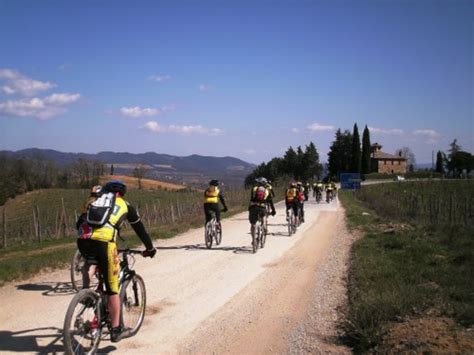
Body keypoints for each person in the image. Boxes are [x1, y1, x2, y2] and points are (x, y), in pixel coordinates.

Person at [75, 180, 156, 343]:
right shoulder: (125, 205)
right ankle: (116, 329)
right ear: (122, 193)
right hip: (104, 244)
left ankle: (86, 295)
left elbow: (79, 223)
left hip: (83, 241)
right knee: (112, 289)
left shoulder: (96, 201)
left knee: (92, 261)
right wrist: (150, 248)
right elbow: (139, 228)